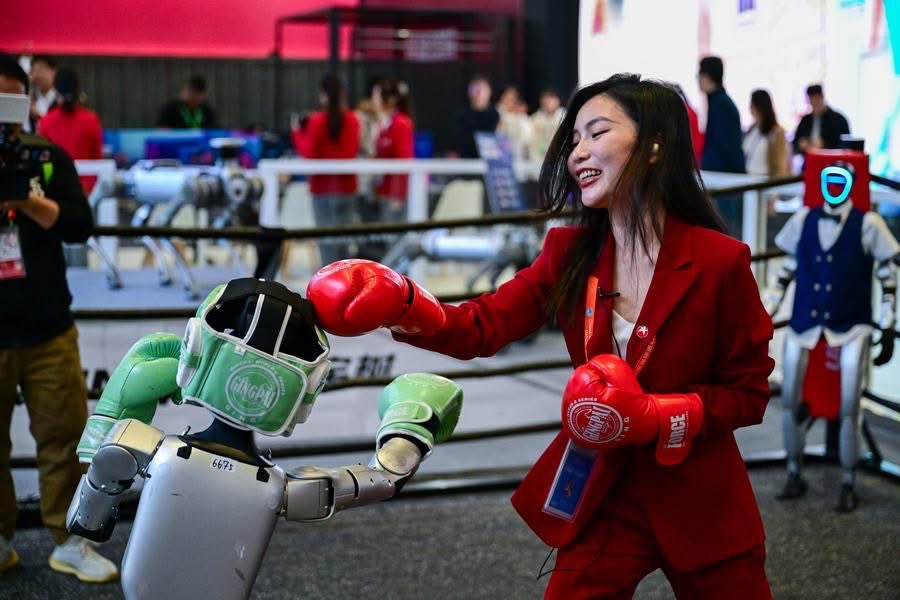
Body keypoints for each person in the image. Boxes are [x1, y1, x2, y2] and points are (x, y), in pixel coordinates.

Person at [306, 74, 775, 598]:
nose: (578, 152)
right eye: (573, 139)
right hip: (607, 493)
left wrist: (660, 415)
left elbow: (749, 393)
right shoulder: (568, 253)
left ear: (653, 147)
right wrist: (403, 302)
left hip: (701, 500)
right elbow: (481, 327)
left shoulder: (719, 262)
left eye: (597, 133)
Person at [0, 56, 118, 582]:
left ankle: (70, 540)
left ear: (25, 105)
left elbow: (79, 225)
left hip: (48, 328)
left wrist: (27, 200)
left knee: (66, 437)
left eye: (9, 101)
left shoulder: (47, 158)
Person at [291, 74, 360, 266]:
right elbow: (351, 150)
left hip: (323, 190)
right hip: (347, 188)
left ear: (322, 94)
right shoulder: (353, 120)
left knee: (327, 244)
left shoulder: (317, 120)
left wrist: (297, 132)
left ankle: (331, 287)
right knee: (345, 242)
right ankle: (349, 285)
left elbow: (308, 153)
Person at [698, 55, 746, 236]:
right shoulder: (718, 102)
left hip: (726, 182)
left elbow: (729, 147)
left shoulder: (722, 105)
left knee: (726, 232)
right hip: (721, 180)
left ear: (706, 76)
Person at [37, 67, 103, 194]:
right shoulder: (91, 120)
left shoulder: (46, 122)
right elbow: (97, 161)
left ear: (55, 91)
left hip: (55, 191)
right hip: (84, 192)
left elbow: (42, 162)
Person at [372, 77, 414, 224]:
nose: (374, 100)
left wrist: (398, 195)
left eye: (376, 96)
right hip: (383, 192)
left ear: (389, 99)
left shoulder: (401, 124)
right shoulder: (383, 124)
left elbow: (404, 162)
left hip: (394, 196)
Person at [792, 84, 851, 155]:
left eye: (817, 100)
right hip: (809, 160)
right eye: (812, 102)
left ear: (822, 97)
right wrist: (801, 144)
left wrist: (824, 145)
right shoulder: (806, 120)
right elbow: (795, 143)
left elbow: (845, 146)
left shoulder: (838, 120)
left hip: (831, 161)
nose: (814, 104)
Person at [743, 89, 790, 178]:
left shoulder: (777, 132)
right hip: (747, 178)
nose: (750, 108)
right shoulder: (752, 129)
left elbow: (780, 165)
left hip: (765, 181)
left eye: (752, 105)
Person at [454, 74, 500, 159]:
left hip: (491, 163)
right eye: (474, 89)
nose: (478, 93)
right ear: (469, 92)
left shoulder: (497, 115)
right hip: (466, 164)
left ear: (489, 91)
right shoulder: (462, 116)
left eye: (482, 89)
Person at [496, 84, 532, 160]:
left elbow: (527, 136)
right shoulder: (496, 113)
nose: (511, 100)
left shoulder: (521, 116)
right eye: (508, 97)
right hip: (499, 155)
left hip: (519, 156)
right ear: (502, 97)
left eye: (513, 98)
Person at [529, 88, 565, 161]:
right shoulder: (536, 119)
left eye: (550, 101)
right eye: (545, 102)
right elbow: (533, 140)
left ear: (557, 101)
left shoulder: (565, 116)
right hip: (541, 156)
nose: (547, 104)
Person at [28, 55, 57, 131]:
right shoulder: (30, 98)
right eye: (34, 70)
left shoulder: (60, 99)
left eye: (41, 69)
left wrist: (40, 117)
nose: (38, 75)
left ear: (53, 71)